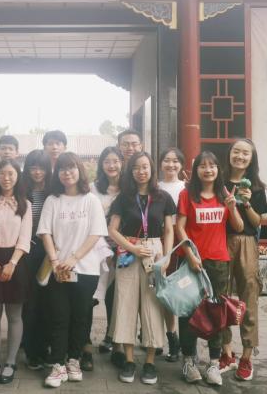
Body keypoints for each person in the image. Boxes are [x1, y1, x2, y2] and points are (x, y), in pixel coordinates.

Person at [37, 152, 108, 388]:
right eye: (62, 169)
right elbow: (45, 232)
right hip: (58, 269)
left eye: (71, 168)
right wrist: (55, 260)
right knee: (59, 317)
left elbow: (96, 233)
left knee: (80, 317)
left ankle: (74, 360)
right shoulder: (53, 200)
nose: (67, 173)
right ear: (57, 174)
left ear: (80, 170)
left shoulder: (91, 200)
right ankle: (58, 364)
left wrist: (74, 258)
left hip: (86, 269)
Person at [176, 151, 243, 387]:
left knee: (216, 313)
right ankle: (189, 360)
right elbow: (180, 227)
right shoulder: (187, 194)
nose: (208, 170)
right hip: (191, 261)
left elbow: (238, 226)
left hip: (219, 262)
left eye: (212, 165)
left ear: (218, 169)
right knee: (188, 311)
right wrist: (190, 254)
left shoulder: (224, 194)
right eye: (202, 166)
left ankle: (214, 363)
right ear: (196, 171)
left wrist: (232, 207)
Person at [108, 151, 176, 385]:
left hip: (155, 252)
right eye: (136, 167)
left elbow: (169, 230)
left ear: (152, 169)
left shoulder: (164, 197)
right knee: (125, 303)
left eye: (145, 166)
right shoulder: (124, 198)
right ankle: (128, 360)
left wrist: (166, 257)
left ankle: (149, 361)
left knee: (153, 306)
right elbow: (112, 230)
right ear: (131, 171)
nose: (141, 171)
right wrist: (133, 248)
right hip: (129, 251)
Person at [0, 159, 32, 385]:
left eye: (10, 173)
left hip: (16, 261)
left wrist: (12, 263)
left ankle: (10, 362)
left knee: (14, 315)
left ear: (18, 176)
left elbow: (25, 238)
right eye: (2, 173)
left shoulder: (25, 205)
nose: (6, 178)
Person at [220, 139, 267, 381]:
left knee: (249, 296)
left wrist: (246, 202)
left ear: (251, 158)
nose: (240, 156)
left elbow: (258, 222)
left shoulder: (256, 187)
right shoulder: (218, 182)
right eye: (236, 151)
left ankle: (247, 356)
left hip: (247, 242)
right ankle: (226, 352)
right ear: (229, 154)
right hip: (220, 241)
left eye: (245, 153)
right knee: (221, 296)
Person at [89, 147, 123, 361]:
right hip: (95, 248)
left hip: (122, 248)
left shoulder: (128, 188)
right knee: (92, 295)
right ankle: (84, 341)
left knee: (115, 296)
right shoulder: (93, 189)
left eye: (115, 161)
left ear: (122, 163)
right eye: (107, 161)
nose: (112, 165)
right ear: (101, 165)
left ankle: (112, 338)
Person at [21, 149, 53, 370]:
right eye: (33, 167)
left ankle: (45, 345)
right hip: (27, 250)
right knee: (29, 302)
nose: (37, 172)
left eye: (41, 167)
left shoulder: (53, 191)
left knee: (48, 301)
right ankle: (32, 350)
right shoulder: (21, 191)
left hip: (49, 251)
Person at [157, 147, 188, 362]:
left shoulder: (187, 187)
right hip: (159, 238)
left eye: (175, 161)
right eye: (167, 160)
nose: (171, 164)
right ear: (160, 164)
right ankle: (167, 335)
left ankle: (180, 338)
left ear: (181, 164)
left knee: (179, 289)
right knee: (160, 288)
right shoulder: (155, 187)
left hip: (182, 239)